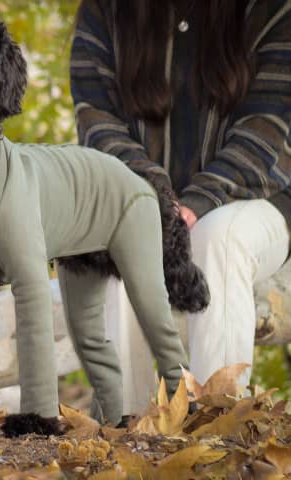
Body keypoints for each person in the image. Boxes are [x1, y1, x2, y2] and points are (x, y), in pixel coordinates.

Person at [70, 0, 291, 415]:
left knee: (217, 238)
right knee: (121, 240)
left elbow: (265, 130)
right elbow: (96, 122)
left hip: (256, 198)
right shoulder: (104, 10)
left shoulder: (272, 9)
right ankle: (126, 432)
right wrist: (155, 196)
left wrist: (196, 202)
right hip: (140, 196)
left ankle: (219, 426)